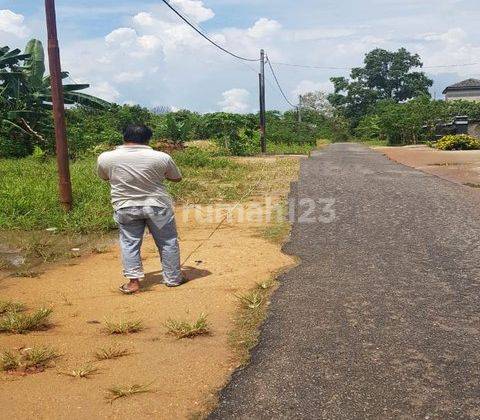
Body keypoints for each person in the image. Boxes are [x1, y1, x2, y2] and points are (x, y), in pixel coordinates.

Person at [97, 124, 184, 294]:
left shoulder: (106, 157)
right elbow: (177, 178)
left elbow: (104, 176)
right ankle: (173, 279)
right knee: (167, 241)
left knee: (129, 244)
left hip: (125, 206)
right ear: (147, 139)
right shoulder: (161, 157)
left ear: (124, 137)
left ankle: (134, 283)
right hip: (157, 206)